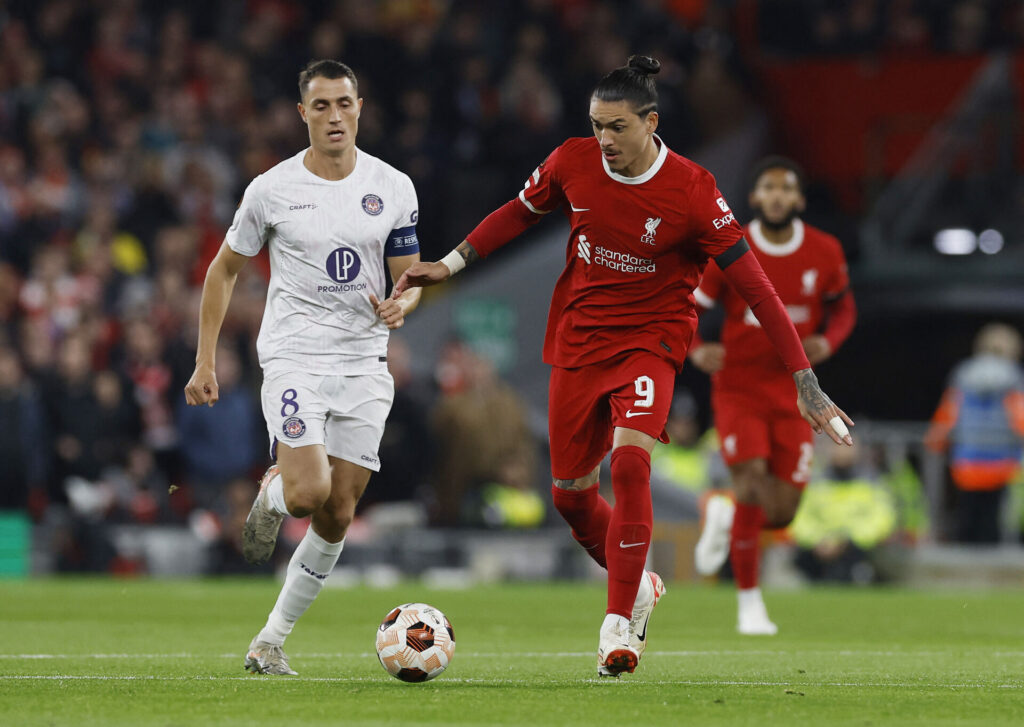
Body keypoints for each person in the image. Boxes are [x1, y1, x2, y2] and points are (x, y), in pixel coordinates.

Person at [392, 57, 853, 677]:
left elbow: (758, 290)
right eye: (596, 125)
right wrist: (447, 265)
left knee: (632, 463)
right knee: (570, 498)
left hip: (651, 343)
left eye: (616, 126)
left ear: (650, 122)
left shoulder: (693, 190)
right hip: (579, 343)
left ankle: (619, 628)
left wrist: (806, 380)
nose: (604, 139)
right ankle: (639, 585)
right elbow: (517, 213)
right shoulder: (572, 161)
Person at [183, 59, 423, 676]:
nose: (335, 116)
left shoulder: (393, 186)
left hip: (365, 361)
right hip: (295, 357)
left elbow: (410, 275)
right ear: (303, 114)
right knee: (306, 494)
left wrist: (404, 301)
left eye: (344, 103)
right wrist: (205, 359)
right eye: (321, 106)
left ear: (360, 107)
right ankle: (272, 492)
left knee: (339, 510)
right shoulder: (272, 189)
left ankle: (269, 641)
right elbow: (223, 270)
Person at [689, 155, 857, 635]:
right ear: (756, 197)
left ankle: (722, 512)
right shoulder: (731, 246)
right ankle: (749, 604)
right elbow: (689, 307)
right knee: (751, 483)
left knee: (781, 510)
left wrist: (831, 339)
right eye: (769, 188)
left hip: (797, 393)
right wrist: (698, 350)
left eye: (787, 188)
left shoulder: (824, 251)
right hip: (739, 387)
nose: (778, 196)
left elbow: (843, 308)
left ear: (799, 199)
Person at [925, 323, 1024, 543]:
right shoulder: (1015, 378)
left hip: (967, 459)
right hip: (1003, 461)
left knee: (966, 516)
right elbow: (1020, 417)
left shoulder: (963, 374)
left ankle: (963, 565)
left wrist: (935, 442)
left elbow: (948, 413)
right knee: (994, 520)